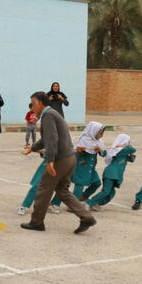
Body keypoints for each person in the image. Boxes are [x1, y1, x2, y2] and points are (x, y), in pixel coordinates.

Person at [20, 92, 97, 234]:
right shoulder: (52, 113)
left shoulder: (48, 115)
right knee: (62, 191)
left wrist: (50, 161)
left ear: (41, 103)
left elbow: (51, 140)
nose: (32, 107)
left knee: (43, 189)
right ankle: (86, 217)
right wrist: (32, 148)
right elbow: (46, 139)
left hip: (60, 159)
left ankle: (36, 222)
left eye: (33, 103)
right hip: (70, 158)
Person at [85, 134, 136, 211]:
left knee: (111, 193)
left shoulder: (122, 151)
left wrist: (131, 154)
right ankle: (88, 203)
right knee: (106, 191)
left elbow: (131, 160)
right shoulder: (119, 150)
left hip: (116, 175)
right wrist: (126, 146)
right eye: (128, 141)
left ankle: (95, 203)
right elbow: (133, 149)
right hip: (110, 174)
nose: (129, 142)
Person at [71, 121, 106, 200]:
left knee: (97, 183)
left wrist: (100, 150)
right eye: (100, 133)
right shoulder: (84, 139)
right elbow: (76, 154)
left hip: (91, 168)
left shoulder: (99, 141)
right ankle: (73, 204)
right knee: (80, 185)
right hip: (82, 167)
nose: (102, 136)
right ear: (94, 132)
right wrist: (80, 150)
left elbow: (104, 154)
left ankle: (84, 196)